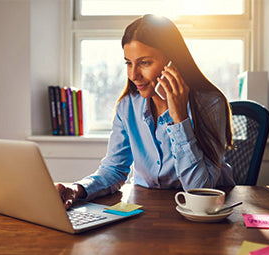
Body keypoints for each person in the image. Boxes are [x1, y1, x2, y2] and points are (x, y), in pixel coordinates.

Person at [56, 14, 235, 209]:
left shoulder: (209, 104)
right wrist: (76, 189)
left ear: (172, 63)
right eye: (128, 63)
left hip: (203, 215)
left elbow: (199, 189)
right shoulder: (128, 106)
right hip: (145, 211)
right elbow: (114, 170)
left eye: (145, 63)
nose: (133, 75)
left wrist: (179, 118)